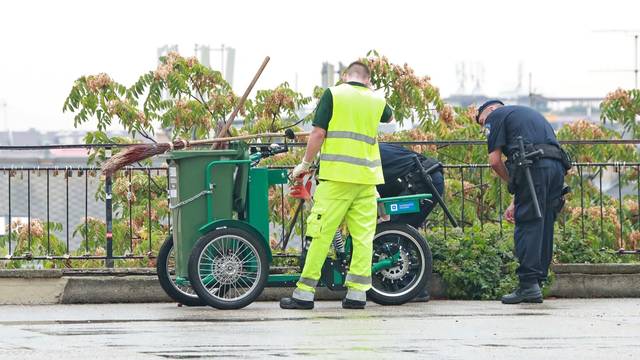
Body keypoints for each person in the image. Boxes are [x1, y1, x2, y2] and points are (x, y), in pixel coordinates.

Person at [280, 61, 393, 310]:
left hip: (337, 178)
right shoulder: (376, 99)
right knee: (363, 237)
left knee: (321, 233)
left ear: (344, 76)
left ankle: (304, 293)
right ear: (367, 79)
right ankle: (357, 295)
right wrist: (371, 90)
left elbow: (318, 133)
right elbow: (390, 115)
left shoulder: (334, 93)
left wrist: (305, 163)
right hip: (366, 179)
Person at [476, 100, 569, 304]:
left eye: (481, 121)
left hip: (533, 168)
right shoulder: (526, 114)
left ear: (491, 110)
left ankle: (528, 285)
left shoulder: (496, 116)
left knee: (527, 223)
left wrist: (511, 181)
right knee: (543, 222)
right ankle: (537, 282)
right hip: (556, 168)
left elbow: (494, 160)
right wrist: (516, 198)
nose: (484, 126)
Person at [377, 142, 444, 302]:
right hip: (424, 178)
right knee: (396, 232)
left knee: (394, 234)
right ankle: (405, 287)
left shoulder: (362, 155)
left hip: (423, 182)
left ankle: (410, 288)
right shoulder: (369, 146)